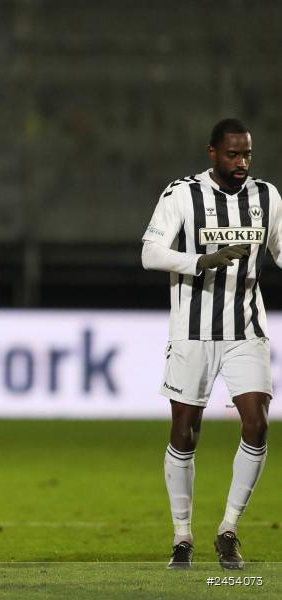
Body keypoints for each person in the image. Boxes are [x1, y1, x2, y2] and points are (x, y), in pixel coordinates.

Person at [142, 118, 276, 570]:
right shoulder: (182, 193)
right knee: (185, 432)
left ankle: (228, 530)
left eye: (247, 154)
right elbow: (149, 253)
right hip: (192, 331)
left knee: (257, 424)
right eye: (233, 154)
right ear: (213, 153)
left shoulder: (267, 197)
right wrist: (202, 260)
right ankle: (182, 536)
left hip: (246, 330)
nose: (242, 162)